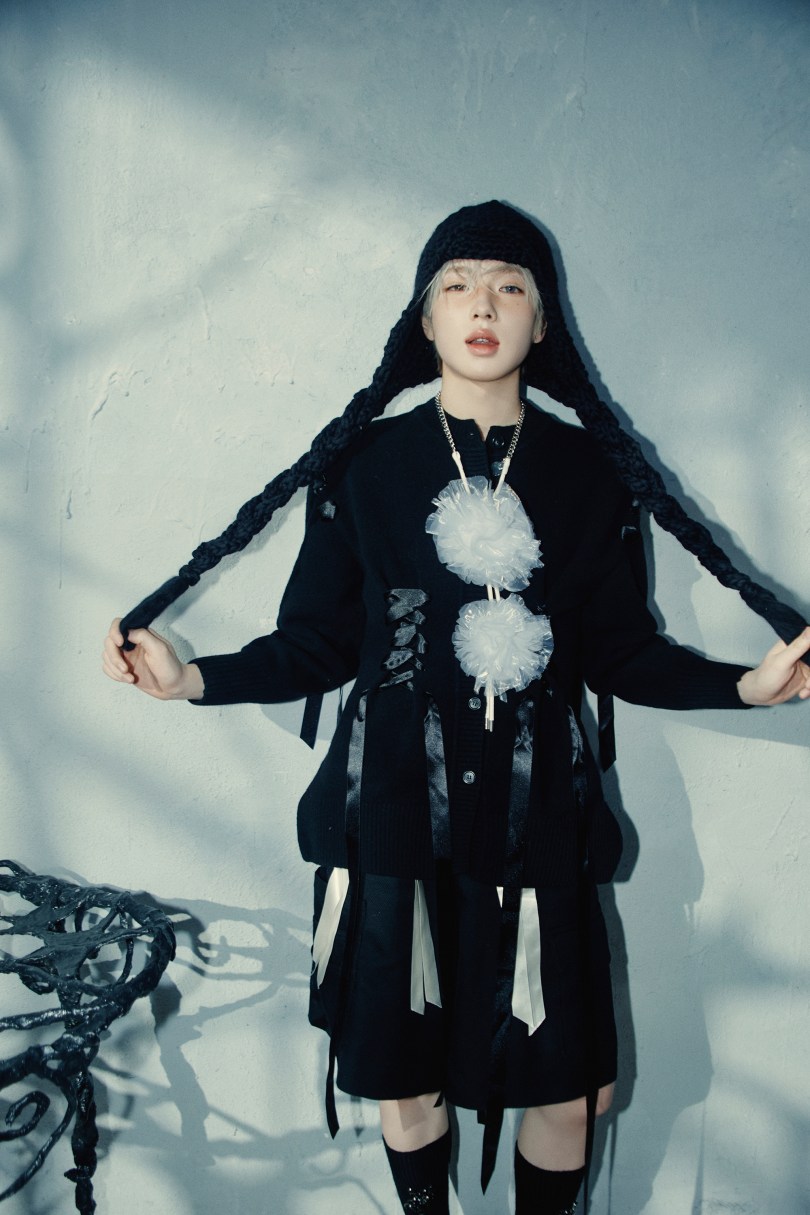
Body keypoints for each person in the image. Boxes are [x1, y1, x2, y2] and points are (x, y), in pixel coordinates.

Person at [102, 201, 809, 1215]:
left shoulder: (591, 476)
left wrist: (746, 686)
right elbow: (316, 642)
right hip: (393, 814)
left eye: (511, 287)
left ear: (543, 322)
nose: (484, 305)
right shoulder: (363, 466)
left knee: (572, 1089)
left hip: (542, 819)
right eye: (458, 286)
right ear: (424, 319)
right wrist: (191, 678)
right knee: (406, 1075)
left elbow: (622, 650)